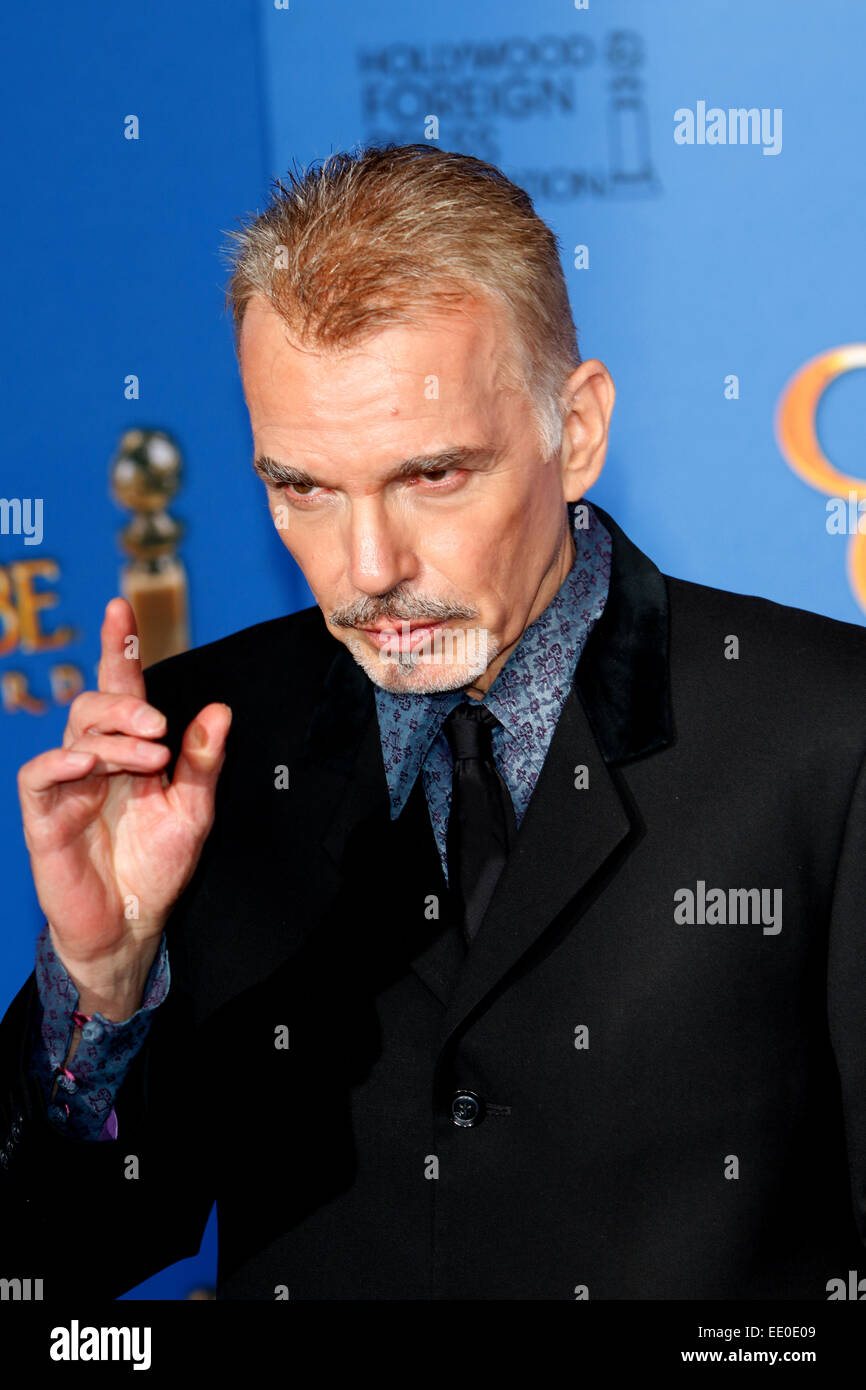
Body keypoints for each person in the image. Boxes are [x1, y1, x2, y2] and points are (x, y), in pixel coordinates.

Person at [2, 143, 866, 1301]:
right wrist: (101, 981)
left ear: (577, 429)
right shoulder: (190, 748)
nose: (368, 569)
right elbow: (46, 1269)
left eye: (431, 476)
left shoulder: (826, 733)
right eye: (303, 487)